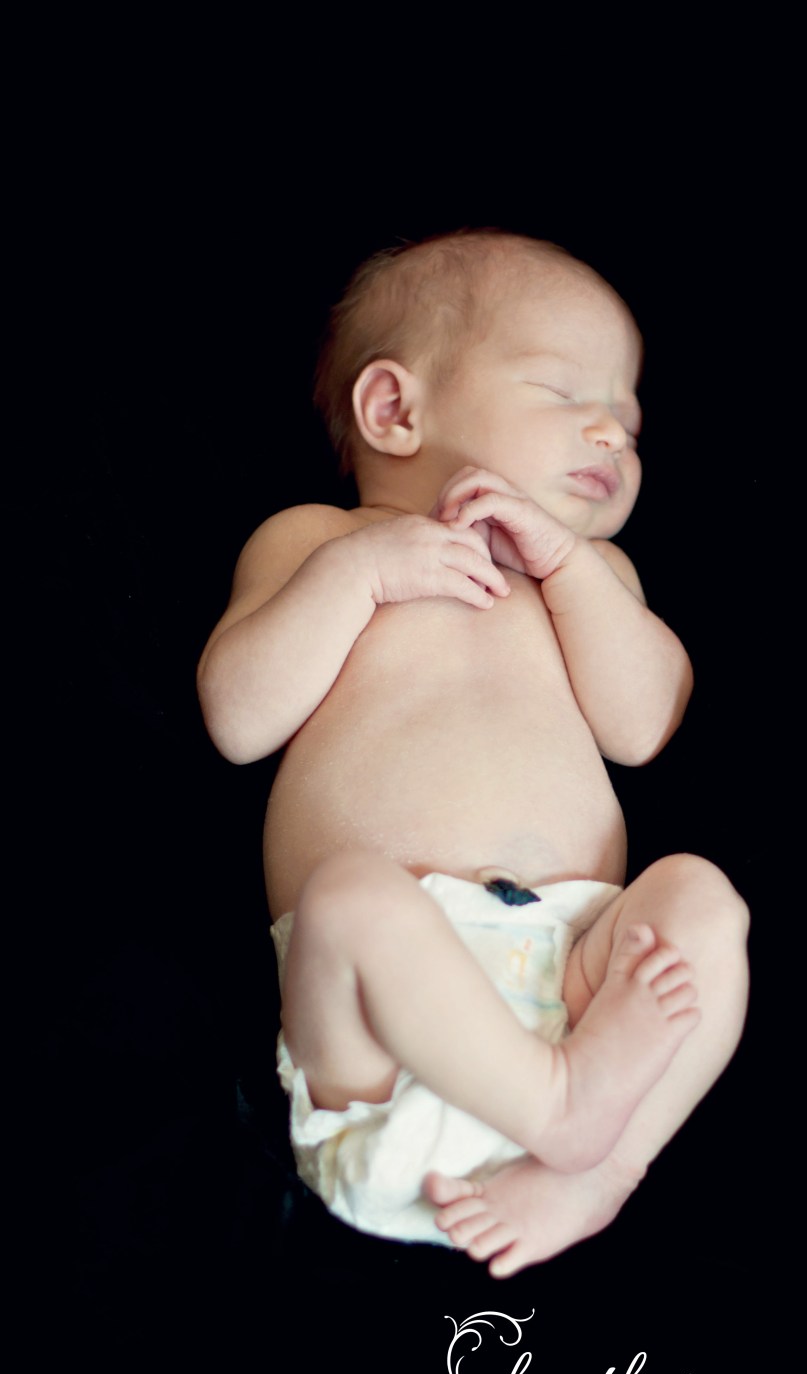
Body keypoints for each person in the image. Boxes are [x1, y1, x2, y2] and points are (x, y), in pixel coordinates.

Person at [198, 230, 749, 1278]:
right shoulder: (315, 541)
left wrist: (572, 568)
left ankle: (603, 1168)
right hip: (382, 1030)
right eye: (564, 391)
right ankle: (560, 1107)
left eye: (629, 420)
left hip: (581, 984)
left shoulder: (593, 576)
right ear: (394, 410)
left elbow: (645, 726)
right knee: (347, 894)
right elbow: (237, 717)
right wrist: (359, 576)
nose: (613, 431)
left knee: (702, 897)